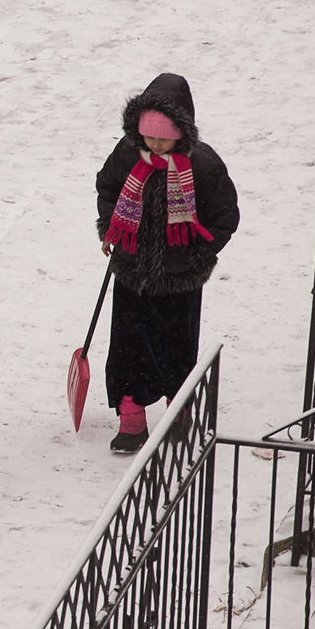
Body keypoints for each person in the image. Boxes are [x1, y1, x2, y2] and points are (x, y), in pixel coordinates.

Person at [96, 73, 240, 453]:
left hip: (182, 278)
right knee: (128, 345)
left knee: (177, 347)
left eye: (164, 138)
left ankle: (178, 411)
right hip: (132, 273)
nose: (155, 145)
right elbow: (107, 189)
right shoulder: (127, 155)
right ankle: (131, 418)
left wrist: (199, 254)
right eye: (149, 137)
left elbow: (225, 215)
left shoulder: (203, 165)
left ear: (182, 133)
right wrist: (112, 228)